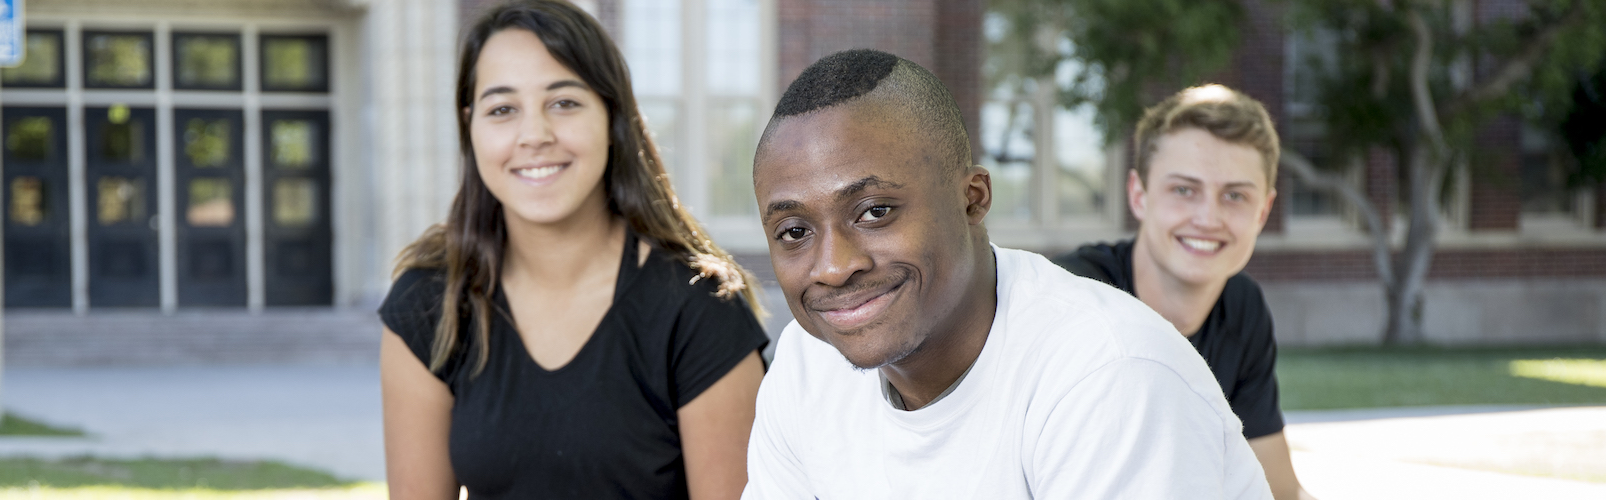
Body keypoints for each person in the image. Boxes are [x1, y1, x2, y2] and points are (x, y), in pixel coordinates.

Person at [743, 48, 1269, 499]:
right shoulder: (806, 364)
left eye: (876, 211)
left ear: (973, 200)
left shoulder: (1109, 374)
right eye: (794, 231)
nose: (834, 268)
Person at [375, 2, 771, 499]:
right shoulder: (430, 302)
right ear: (470, 126)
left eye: (564, 102)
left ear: (611, 115)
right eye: (502, 109)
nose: (535, 135)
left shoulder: (697, 308)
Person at [1053, 84, 1315, 500]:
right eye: (1184, 190)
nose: (1208, 218)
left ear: (1262, 212)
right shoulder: (1075, 300)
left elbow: (1278, 490)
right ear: (1139, 195)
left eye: (1234, 196)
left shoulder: (1241, 309)